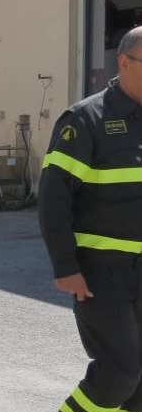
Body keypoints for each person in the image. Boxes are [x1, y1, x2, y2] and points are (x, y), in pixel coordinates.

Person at [39, 26, 142, 412]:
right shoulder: (86, 119)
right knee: (118, 372)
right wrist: (65, 266)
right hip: (102, 272)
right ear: (124, 62)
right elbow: (53, 200)